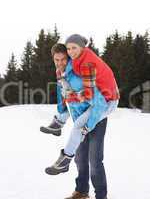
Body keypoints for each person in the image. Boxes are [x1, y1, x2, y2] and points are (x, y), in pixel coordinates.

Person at [41, 38, 119, 199]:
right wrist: (60, 117)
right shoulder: (60, 73)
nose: (60, 62)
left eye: (63, 59)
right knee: (80, 159)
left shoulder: (78, 74)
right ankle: (81, 192)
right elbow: (62, 97)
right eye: (57, 59)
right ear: (53, 59)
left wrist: (86, 125)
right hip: (82, 117)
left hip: (96, 116)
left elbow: (98, 101)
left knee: (95, 161)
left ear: (69, 58)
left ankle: (101, 196)